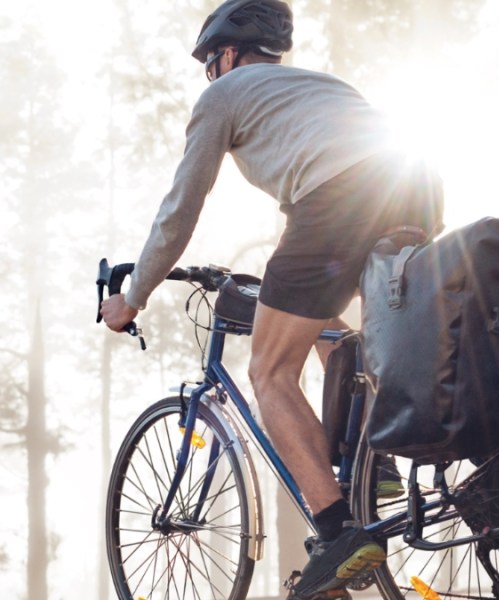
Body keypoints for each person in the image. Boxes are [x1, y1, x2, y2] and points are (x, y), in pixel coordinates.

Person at [101, 0, 443, 597]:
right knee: (330, 334)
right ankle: (377, 468)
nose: (210, 75)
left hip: (339, 198)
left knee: (269, 370)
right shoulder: (316, 86)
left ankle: (339, 533)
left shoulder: (223, 95)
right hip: (416, 189)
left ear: (226, 56)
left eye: (210, 64)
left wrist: (134, 295)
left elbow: (180, 211)